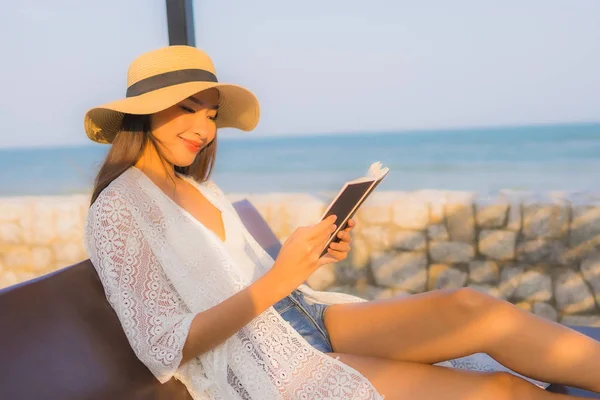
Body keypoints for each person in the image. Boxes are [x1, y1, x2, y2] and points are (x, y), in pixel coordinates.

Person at [84, 45, 600, 400]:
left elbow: (248, 279)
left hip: (311, 318)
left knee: (473, 307)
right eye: (188, 109)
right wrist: (279, 278)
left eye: (212, 114)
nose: (204, 129)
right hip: (271, 363)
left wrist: (306, 256)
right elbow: (162, 346)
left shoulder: (199, 189)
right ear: (144, 112)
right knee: (501, 392)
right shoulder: (117, 209)